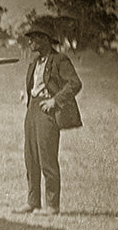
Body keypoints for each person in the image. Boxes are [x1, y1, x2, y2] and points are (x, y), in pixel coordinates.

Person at [14, 24, 81, 216]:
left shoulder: (60, 59)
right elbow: (36, 84)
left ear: (45, 39)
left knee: (47, 158)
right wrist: (27, 94)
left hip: (47, 112)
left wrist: (55, 101)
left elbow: (75, 83)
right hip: (32, 110)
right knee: (31, 156)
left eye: (34, 38)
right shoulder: (34, 62)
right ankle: (32, 202)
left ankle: (52, 206)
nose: (30, 42)